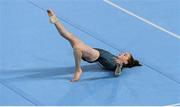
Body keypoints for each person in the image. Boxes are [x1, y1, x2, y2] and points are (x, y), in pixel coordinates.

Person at [47, 9, 141, 82]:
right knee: (69, 36)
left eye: (125, 55)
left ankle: (78, 70)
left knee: (77, 47)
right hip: (92, 50)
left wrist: (119, 66)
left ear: (125, 62)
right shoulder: (115, 57)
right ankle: (54, 20)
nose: (122, 53)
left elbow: (117, 74)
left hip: (95, 55)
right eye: (124, 53)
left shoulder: (117, 65)